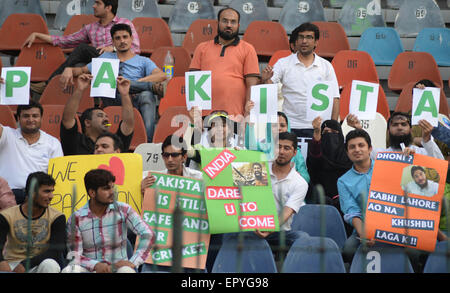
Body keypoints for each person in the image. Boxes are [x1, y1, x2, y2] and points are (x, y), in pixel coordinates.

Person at [60, 23, 166, 142]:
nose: (122, 41)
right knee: (109, 83)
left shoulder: (142, 60)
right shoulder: (105, 57)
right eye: (118, 38)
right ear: (113, 42)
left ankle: (148, 143)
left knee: (146, 95)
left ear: (131, 39)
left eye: (125, 37)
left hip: (135, 99)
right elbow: (82, 70)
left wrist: (137, 83)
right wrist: (69, 69)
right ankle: (149, 87)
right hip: (114, 96)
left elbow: (161, 75)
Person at [23, 0, 140, 86]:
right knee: (79, 63)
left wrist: (113, 49)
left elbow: (136, 49)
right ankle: (54, 87)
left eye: (98, 3)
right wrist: (38, 35)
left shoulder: (125, 23)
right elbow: (66, 41)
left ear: (108, 7)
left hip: (120, 64)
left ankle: (49, 83)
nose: (93, 6)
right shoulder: (91, 28)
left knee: (83, 49)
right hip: (99, 65)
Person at [62, 169, 154, 273]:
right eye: (106, 189)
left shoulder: (123, 210)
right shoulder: (77, 218)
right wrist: (95, 265)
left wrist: (133, 262)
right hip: (90, 270)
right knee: (70, 270)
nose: (112, 192)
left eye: (112, 187)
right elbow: (74, 256)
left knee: (126, 271)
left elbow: (148, 234)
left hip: (119, 268)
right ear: (92, 193)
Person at [261, 22, 340, 140]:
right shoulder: (283, 63)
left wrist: (333, 127)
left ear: (316, 42)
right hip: (290, 126)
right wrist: (265, 79)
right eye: (301, 37)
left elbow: (335, 98)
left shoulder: (326, 66)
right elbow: (266, 90)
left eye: (309, 37)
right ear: (296, 41)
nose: (304, 41)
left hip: (318, 127)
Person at [189, 7, 260, 119]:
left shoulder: (248, 49)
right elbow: (194, 83)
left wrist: (248, 112)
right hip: (205, 116)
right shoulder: (202, 48)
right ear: (217, 23)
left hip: (236, 116)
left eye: (233, 22)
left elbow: (251, 83)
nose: (229, 25)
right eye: (225, 21)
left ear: (238, 25)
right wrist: (196, 116)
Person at [0, 172, 66, 273]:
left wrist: (26, 264)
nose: (51, 196)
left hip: (37, 264)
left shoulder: (57, 217)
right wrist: (1, 262)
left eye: (52, 191)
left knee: (51, 264)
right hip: (12, 265)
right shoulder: (7, 215)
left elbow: (56, 250)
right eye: (46, 191)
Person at [0, 99, 63, 204]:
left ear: (41, 118)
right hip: (7, 195)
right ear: (18, 118)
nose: (30, 119)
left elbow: (58, 175)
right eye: (26, 116)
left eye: (35, 116)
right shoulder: (6, 134)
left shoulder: (53, 143)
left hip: (37, 197)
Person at [254, 132, 309, 250]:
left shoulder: (300, 183)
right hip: (252, 227)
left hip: (279, 231)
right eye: (278, 147)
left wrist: (270, 228)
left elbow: (287, 212)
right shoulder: (258, 169)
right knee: (230, 234)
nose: (281, 151)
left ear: (295, 152)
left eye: (287, 148)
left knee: (303, 238)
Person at [60, 73, 134, 155]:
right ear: (87, 122)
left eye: (105, 146)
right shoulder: (76, 142)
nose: (106, 119)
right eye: (100, 116)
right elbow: (67, 119)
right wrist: (80, 89)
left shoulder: (114, 142)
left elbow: (128, 124)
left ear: (117, 151)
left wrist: (125, 94)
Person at [337, 129, 376, 263]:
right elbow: (351, 211)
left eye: (361, 145)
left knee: (412, 252)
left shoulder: (387, 168)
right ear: (347, 153)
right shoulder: (343, 181)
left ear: (370, 148)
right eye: (352, 147)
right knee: (349, 249)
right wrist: (363, 233)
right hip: (363, 228)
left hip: (393, 227)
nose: (357, 150)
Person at [347, 112, 444, 160]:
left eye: (403, 124)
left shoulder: (421, 153)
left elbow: (440, 163)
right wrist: (359, 129)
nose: (399, 127)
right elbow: (361, 153)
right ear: (388, 131)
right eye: (395, 125)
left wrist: (427, 140)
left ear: (411, 130)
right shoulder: (379, 154)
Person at [307, 116, 353, 208]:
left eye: (334, 133)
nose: (330, 135)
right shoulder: (316, 153)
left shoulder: (348, 156)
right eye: (326, 132)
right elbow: (315, 157)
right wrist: (316, 132)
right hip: (319, 203)